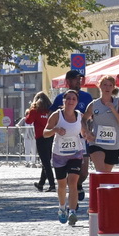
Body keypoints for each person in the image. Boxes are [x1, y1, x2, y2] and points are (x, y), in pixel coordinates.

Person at [44, 88, 88, 225]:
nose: (70, 101)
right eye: (68, 98)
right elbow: (45, 133)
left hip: (75, 153)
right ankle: (62, 207)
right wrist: (55, 129)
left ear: (77, 102)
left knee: (73, 182)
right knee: (62, 185)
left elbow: (84, 131)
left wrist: (88, 135)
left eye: (73, 99)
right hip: (59, 154)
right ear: (63, 100)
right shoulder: (57, 115)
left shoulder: (79, 116)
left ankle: (72, 212)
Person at [81, 77, 119, 174]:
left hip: (113, 145)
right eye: (105, 85)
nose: (107, 88)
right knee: (101, 172)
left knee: (106, 176)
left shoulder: (118, 103)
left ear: (113, 87)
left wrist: (113, 110)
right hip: (96, 143)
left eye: (110, 85)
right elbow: (83, 119)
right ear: (100, 86)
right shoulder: (93, 104)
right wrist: (87, 132)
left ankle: (99, 185)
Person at [23, 92, 56, 191]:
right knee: (46, 160)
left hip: (41, 137)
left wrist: (29, 111)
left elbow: (28, 121)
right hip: (51, 136)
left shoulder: (35, 110)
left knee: (45, 162)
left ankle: (52, 184)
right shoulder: (51, 110)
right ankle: (41, 183)